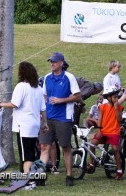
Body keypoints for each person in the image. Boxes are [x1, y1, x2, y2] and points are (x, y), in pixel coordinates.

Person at [0, 61, 48, 190]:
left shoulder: (21, 86)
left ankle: (29, 182)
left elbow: (14, 104)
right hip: (34, 124)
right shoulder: (38, 89)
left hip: (24, 125)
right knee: (30, 152)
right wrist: (44, 123)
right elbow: (43, 109)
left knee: (26, 155)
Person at [38, 52, 81, 186]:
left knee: (65, 147)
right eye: (51, 61)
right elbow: (44, 95)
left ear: (61, 63)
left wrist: (61, 100)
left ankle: (69, 176)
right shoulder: (47, 78)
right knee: (44, 146)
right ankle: (40, 176)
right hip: (48, 118)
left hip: (64, 118)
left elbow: (77, 96)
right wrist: (44, 109)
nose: (52, 63)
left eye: (54, 61)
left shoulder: (69, 77)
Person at [87, 86, 124, 180]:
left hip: (114, 131)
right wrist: (99, 130)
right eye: (114, 97)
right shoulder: (102, 107)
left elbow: (120, 119)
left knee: (115, 149)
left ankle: (119, 170)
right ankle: (91, 164)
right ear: (108, 97)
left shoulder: (119, 107)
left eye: (117, 97)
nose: (117, 99)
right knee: (92, 144)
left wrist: (116, 109)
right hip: (103, 130)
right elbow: (100, 119)